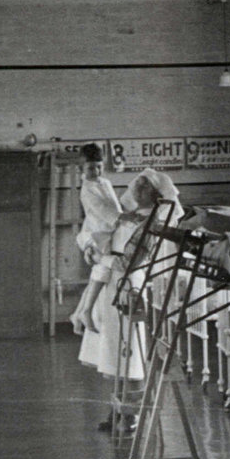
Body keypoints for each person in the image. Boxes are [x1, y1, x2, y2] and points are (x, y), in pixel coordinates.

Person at [77, 168, 184, 432]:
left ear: (157, 195)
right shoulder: (129, 216)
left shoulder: (152, 223)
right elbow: (100, 233)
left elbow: (129, 262)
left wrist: (100, 258)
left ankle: (131, 415)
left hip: (128, 285)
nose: (137, 187)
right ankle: (116, 411)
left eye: (145, 186)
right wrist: (92, 248)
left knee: (129, 353)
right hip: (111, 284)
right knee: (112, 352)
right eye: (138, 182)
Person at [68, 143, 143, 334]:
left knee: (99, 276)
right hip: (96, 233)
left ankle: (78, 315)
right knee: (101, 270)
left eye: (99, 166)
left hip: (109, 231)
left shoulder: (106, 183)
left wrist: (128, 216)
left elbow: (115, 206)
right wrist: (124, 218)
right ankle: (84, 311)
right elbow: (102, 211)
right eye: (91, 168)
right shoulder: (87, 189)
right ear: (81, 169)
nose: (96, 171)